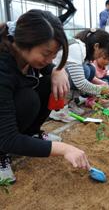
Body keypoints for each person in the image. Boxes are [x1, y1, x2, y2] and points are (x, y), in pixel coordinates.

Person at [0, 10, 91, 183]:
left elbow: (50, 68)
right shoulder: (3, 66)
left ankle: (32, 133)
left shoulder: (23, 52)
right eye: (45, 53)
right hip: (4, 133)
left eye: (54, 55)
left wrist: (58, 70)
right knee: (28, 99)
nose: (49, 60)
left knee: (51, 82)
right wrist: (64, 149)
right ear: (25, 43)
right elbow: (8, 138)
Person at [54, 29, 109, 103]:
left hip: (60, 78)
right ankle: (63, 103)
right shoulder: (76, 48)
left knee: (91, 69)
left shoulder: (82, 49)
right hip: (53, 79)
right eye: (101, 54)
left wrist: (101, 85)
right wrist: (101, 89)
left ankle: (70, 102)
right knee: (86, 69)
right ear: (96, 46)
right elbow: (80, 83)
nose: (98, 57)